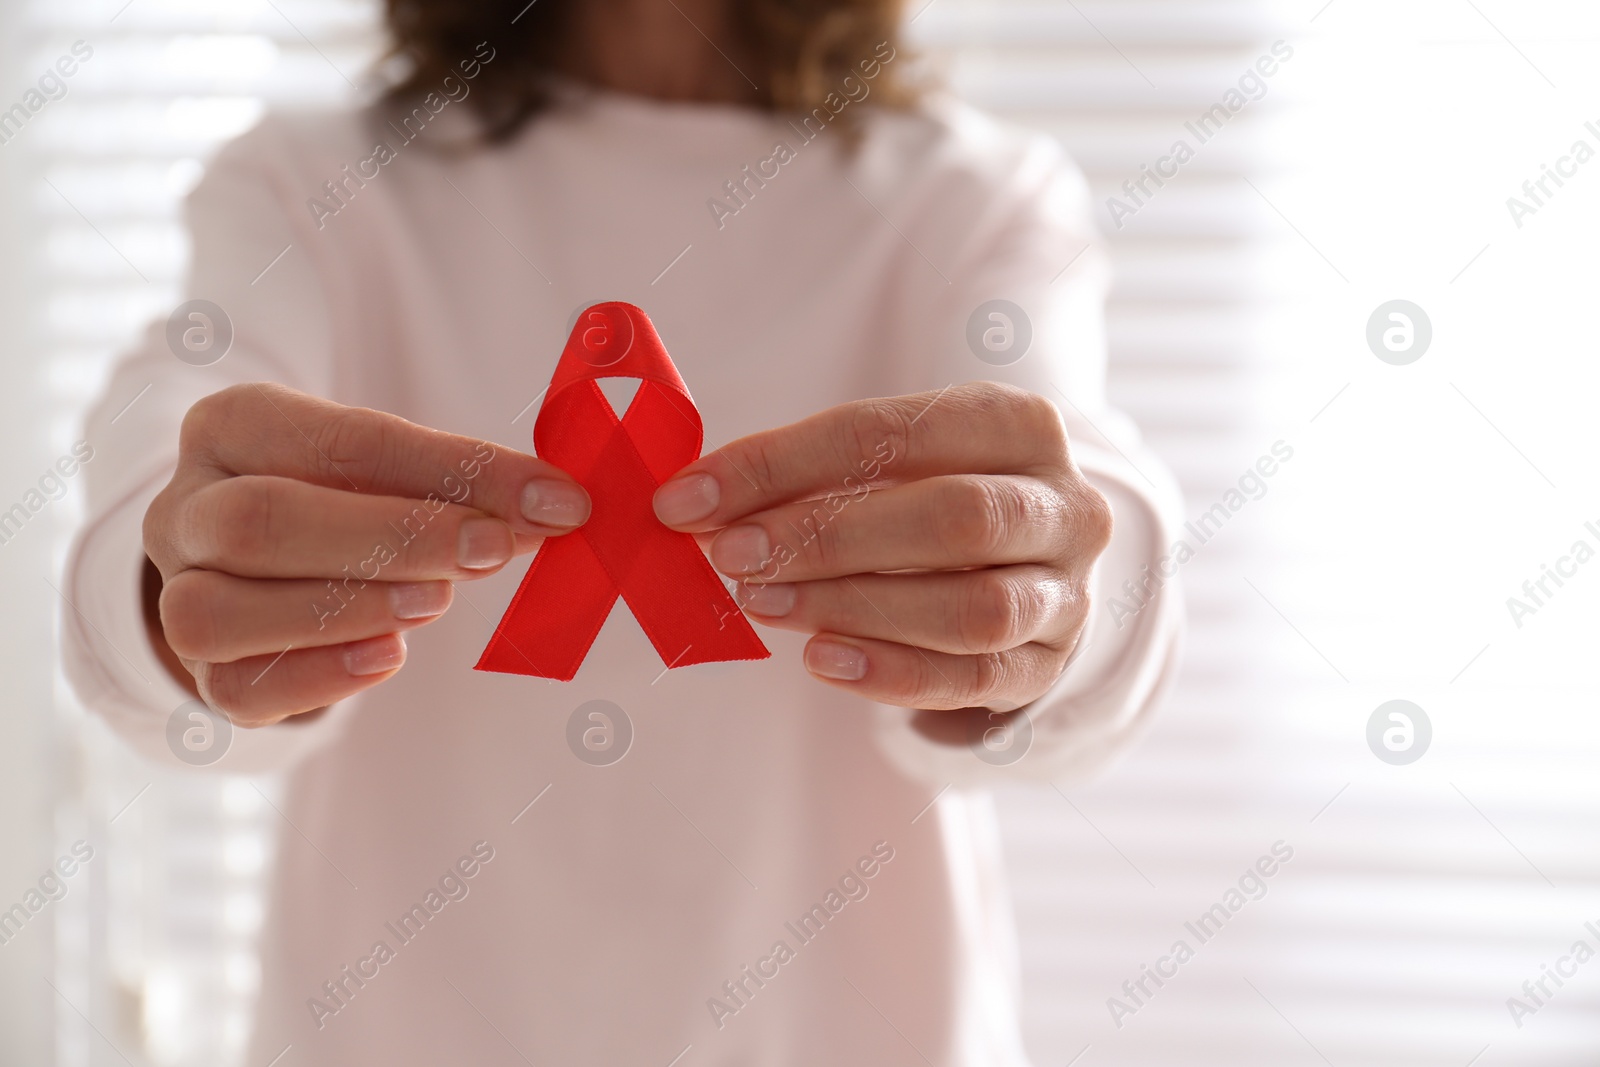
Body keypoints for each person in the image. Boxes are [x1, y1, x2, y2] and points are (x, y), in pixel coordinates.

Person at [63, 0, 1182, 1062]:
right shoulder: (306, 182)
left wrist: (1051, 590)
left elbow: (1078, 481)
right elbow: (169, 440)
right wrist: (174, 584)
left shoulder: (972, 197)